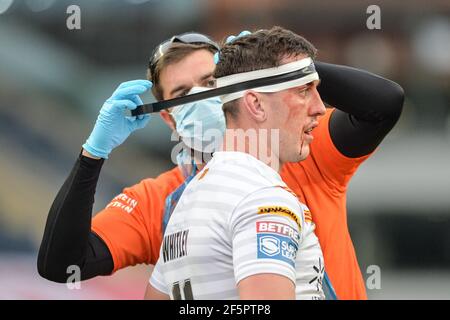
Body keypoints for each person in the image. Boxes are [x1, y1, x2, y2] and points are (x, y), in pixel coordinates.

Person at [38, 27, 404, 299]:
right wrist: (93, 153)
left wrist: (273, 66)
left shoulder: (300, 147)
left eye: (211, 81)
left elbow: (383, 103)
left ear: (240, 88)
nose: (201, 96)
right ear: (168, 118)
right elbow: (63, 264)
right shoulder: (164, 199)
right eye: (182, 94)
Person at [146, 27, 328, 300]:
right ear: (255, 103)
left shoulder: (186, 198)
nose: (319, 107)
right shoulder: (263, 198)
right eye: (303, 91)